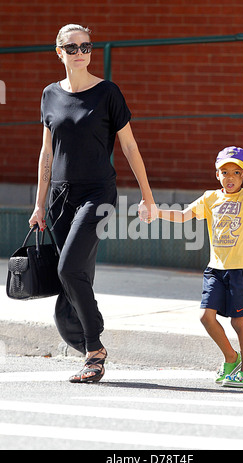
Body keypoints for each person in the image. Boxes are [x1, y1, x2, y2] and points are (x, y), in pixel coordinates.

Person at [29, 24, 157, 383]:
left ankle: (94, 348)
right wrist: (39, 204)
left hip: (98, 194)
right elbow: (46, 153)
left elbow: (130, 147)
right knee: (73, 272)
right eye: (72, 48)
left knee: (69, 268)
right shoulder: (50, 94)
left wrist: (148, 198)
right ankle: (80, 335)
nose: (81, 52)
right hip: (59, 197)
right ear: (59, 52)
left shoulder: (107, 93)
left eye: (86, 46)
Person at [156, 146, 243, 387]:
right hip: (215, 269)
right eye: (225, 172)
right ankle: (231, 358)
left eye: (236, 172)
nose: (230, 177)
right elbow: (183, 216)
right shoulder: (210, 198)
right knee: (206, 317)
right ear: (217, 175)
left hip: (241, 270)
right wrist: (155, 212)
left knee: (238, 322)